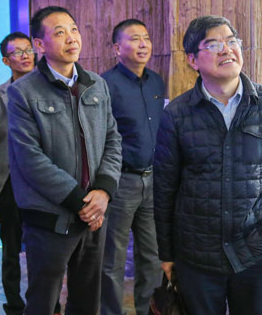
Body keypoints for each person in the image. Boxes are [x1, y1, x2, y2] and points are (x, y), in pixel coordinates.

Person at [153, 15, 262, 314]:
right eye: (213, 44)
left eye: (232, 41)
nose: (227, 49)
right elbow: (165, 187)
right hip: (197, 255)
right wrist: (167, 252)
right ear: (193, 60)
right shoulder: (177, 114)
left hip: (258, 252)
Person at [6, 6, 122, 314]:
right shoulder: (22, 92)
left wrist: (104, 190)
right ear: (40, 45)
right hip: (51, 218)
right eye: (59, 33)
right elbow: (29, 158)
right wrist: (81, 202)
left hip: (95, 214)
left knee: (87, 300)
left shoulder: (96, 84)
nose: (71, 38)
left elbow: (112, 139)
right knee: (43, 301)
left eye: (74, 29)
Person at [0, 32, 62, 315]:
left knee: (47, 249)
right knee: (11, 250)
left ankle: (51, 305)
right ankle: (14, 306)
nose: (25, 56)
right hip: (9, 183)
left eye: (28, 50)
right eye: (17, 52)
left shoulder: (50, 90)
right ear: (6, 61)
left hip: (45, 183)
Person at [100, 19, 164, 315]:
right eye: (135, 38)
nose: (143, 44)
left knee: (152, 256)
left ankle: (147, 309)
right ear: (117, 48)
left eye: (146, 38)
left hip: (153, 180)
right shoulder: (104, 85)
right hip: (120, 182)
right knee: (112, 258)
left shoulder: (156, 81)